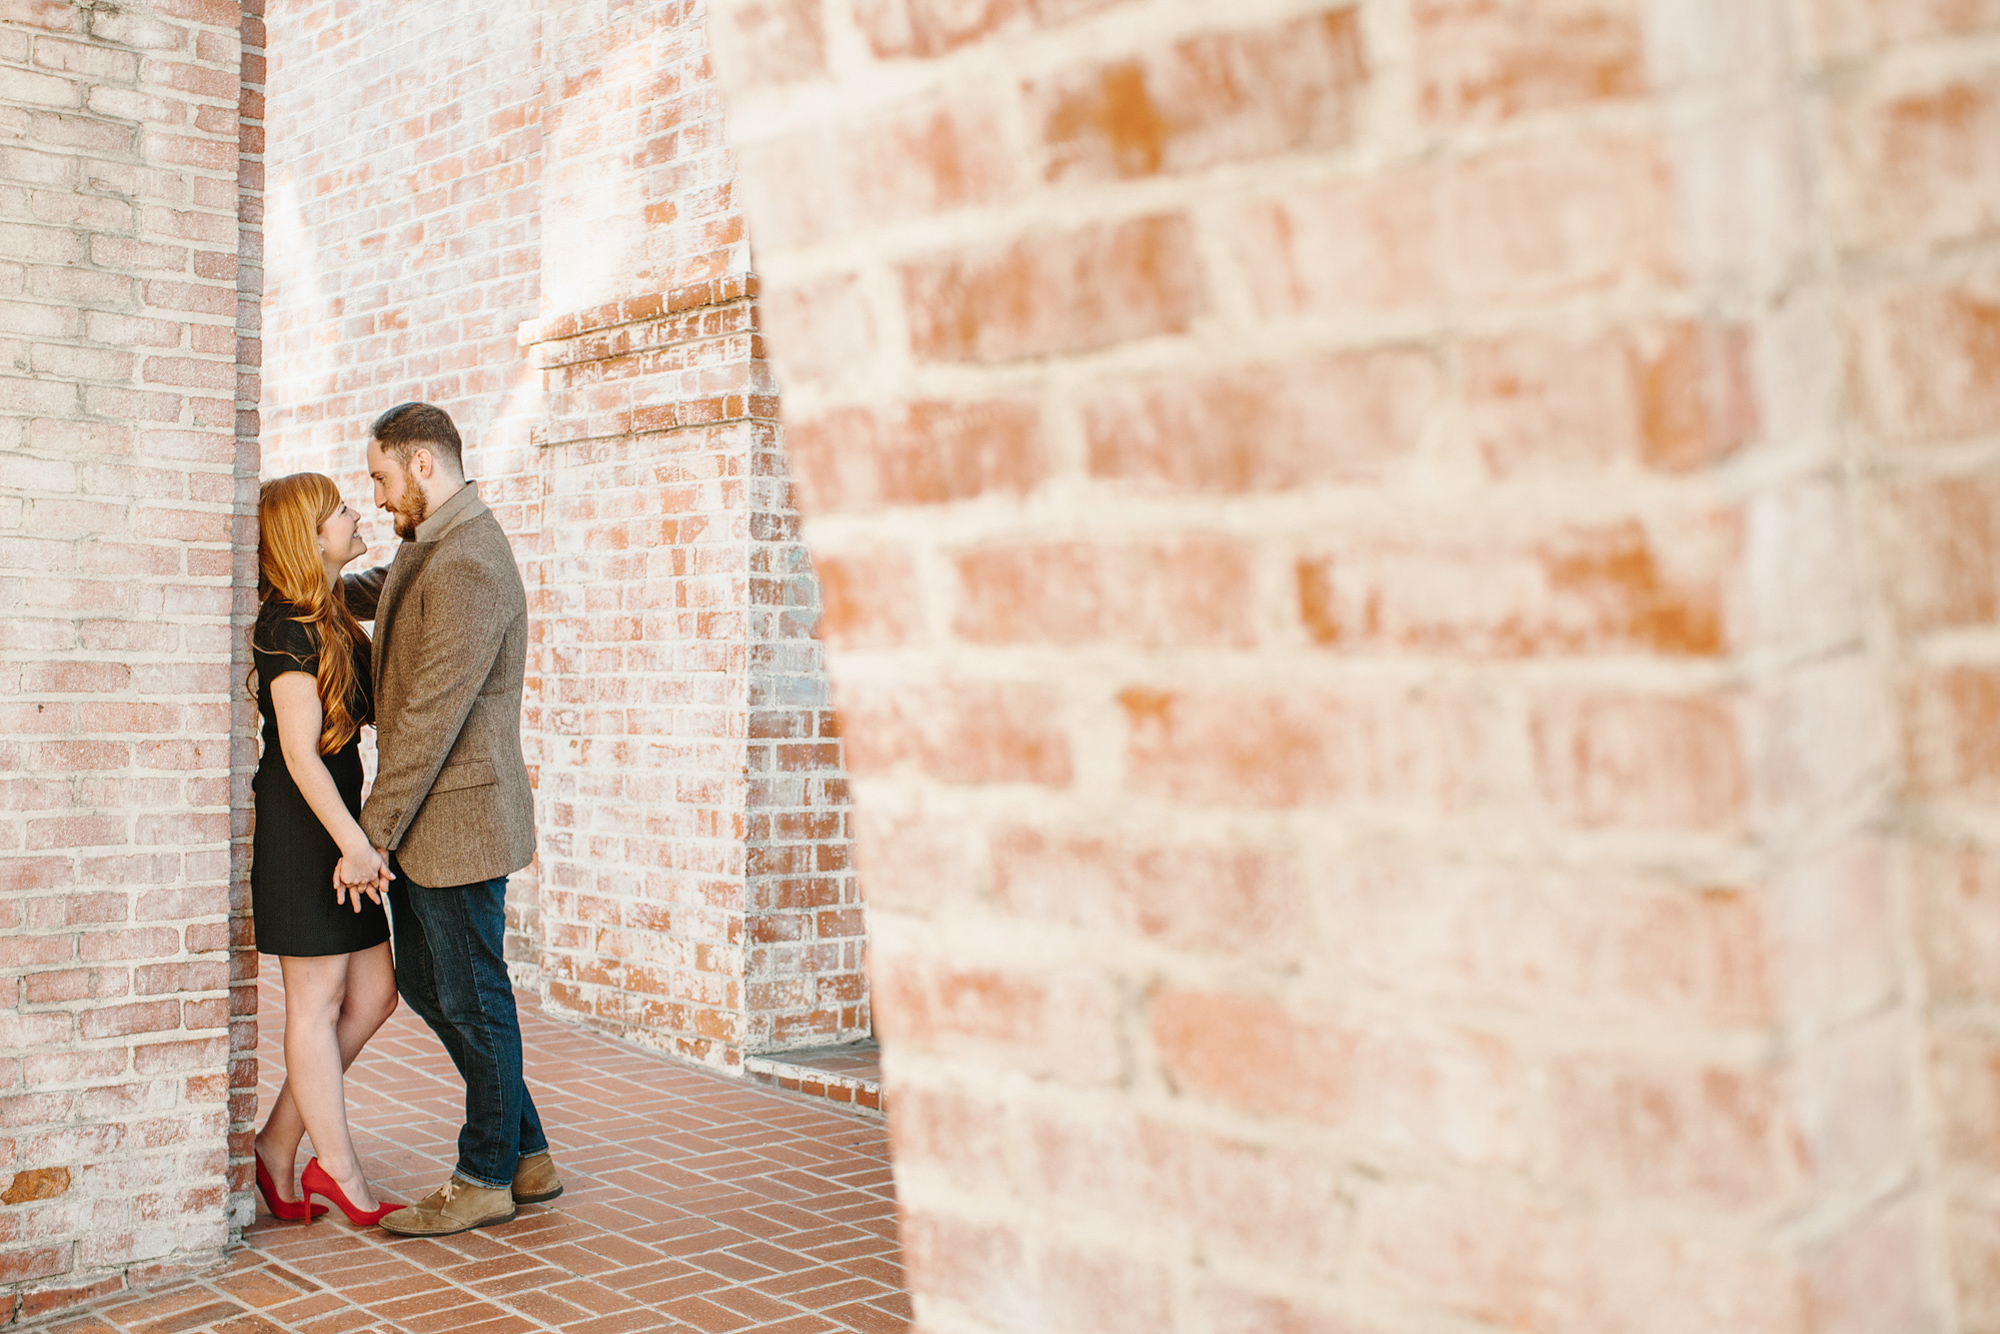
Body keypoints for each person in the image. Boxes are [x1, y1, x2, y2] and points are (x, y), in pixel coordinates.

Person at [341, 401, 561, 1237]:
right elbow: (383, 590)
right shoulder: (429, 543)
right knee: (438, 989)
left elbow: (432, 714)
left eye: (382, 478)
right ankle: (528, 1153)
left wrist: (371, 836)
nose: (379, 494)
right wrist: (302, 572)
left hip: (457, 825)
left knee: (474, 997)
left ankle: (483, 1176)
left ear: (423, 466)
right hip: (433, 823)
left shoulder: (470, 560)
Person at [248, 473, 402, 1228]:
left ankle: (279, 1145)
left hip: (342, 829)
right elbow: (301, 756)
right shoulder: (284, 626)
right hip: (304, 831)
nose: (355, 512)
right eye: (339, 508)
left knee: (374, 995)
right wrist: (354, 845)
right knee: (315, 1005)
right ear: (308, 537)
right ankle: (336, 1170)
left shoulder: (335, 614)